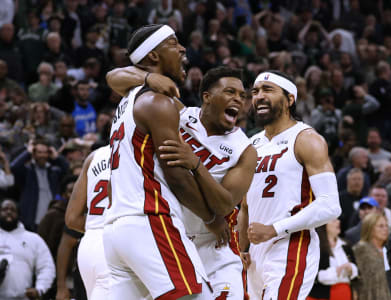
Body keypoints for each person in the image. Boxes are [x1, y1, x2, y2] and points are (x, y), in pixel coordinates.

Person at [107, 65, 257, 298]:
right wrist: (149, 77)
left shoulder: (245, 150)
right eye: (230, 92)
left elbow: (225, 205)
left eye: (242, 96)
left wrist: (195, 164)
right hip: (172, 236)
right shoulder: (179, 114)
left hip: (214, 245)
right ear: (207, 97)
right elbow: (114, 77)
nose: (238, 99)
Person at [103, 24, 228, 300]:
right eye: (173, 43)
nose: (183, 48)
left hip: (115, 230)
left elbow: (113, 76)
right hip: (149, 218)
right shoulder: (158, 102)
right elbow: (177, 176)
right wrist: (211, 218)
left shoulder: (127, 100)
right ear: (154, 56)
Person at [238, 70, 341, 300]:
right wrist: (240, 248)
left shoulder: (306, 139)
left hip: (291, 246)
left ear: (290, 99)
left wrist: (273, 229)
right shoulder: (252, 143)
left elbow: (330, 205)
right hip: (255, 253)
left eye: (268, 90)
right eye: (255, 92)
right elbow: (245, 206)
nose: (259, 96)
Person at [65, 145, 110, 299]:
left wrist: (96, 224)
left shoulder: (93, 157)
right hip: (114, 243)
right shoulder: (140, 154)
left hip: (89, 242)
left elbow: (71, 219)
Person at [0, 199, 55, 299]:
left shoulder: (33, 239)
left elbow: (47, 266)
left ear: (19, 214)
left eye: (13, 209)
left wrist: (40, 288)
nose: (9, 212)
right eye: (5, 209)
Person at [10, 138, 69, 231]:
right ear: (34, 154)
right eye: (39, 152)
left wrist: (57, 157)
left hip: (52, 219)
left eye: (46, 152)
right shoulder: (27, 171)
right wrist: (28, 152)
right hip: (31, 219)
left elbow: (68, 171)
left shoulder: (54, 172)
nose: (43, 155)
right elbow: (14, 167)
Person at [307, 219, 358, 300]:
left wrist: (351, 268)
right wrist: (335, 272)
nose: (338, 221)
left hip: (346, 294)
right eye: (334, 220)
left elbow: (357, 273)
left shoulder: (346, 245)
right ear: (324, 225)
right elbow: (312, 275)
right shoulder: (316, 247)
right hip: (321, 296)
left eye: (338, 219)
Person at [353, 212, 391, 300]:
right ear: (370, 228)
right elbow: (355, 277)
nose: (385, 229)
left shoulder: (389, 250)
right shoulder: (360, 249)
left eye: (386, 226)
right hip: (368, 295)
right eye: (381, 226)